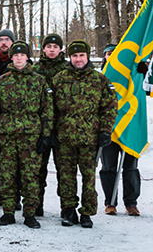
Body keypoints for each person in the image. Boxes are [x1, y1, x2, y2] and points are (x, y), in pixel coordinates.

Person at [50, 40, 117, 228]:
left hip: (90, 138)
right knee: (66, 177)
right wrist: (51, 131)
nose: (78, 59)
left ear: (87, 57)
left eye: (81, 56)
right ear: (69, 57)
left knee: (89, 178)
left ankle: (87, 212)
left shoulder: (100, 80)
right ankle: (68, 210)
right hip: (64, 139)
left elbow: (109, 107)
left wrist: (105, 130)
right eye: (74, 56)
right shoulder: (59, 79)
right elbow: (50, 108)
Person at [0, 42, 52, 229]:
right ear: (11, 58)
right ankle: (8, 212)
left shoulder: (38, 81)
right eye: (15, 56)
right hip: (6, 136)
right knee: (7, 176)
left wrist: (45, 135)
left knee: (31, 177)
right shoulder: (1, 81)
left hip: (31, 137)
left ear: (27, 58)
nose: (18, 58)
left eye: (22, 55)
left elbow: (47, 110)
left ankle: (30, 214)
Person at [98, 43, 142, 216]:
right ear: (104, 57)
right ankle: (110, 202)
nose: (112, 56)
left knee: (131, 167)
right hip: (108, 127)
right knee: (108, 167)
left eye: (115, 53)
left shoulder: (133, 74)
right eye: (108, 53)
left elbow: (146, 90)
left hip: (129, 126)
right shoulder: (99, 77)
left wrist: (141, 71)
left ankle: (131, 203)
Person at [32, 33, 66, 215]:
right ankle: (37, 205)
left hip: (63, 127)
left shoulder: (68, 69)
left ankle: (67, 208)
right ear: (43, 49)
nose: (52, 50)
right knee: (38, 170)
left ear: (60, 49)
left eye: (55, 46)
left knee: (65, 171)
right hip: (39, 127)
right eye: (49, 46)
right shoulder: (36, 70)